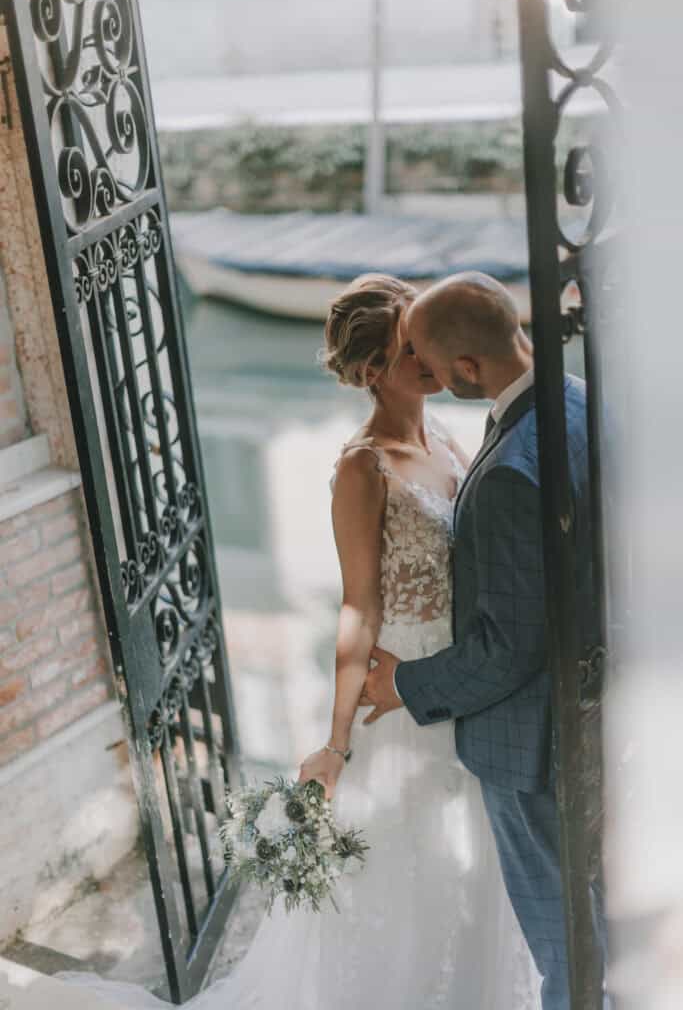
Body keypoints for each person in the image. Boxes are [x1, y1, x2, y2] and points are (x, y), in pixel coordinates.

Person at [59, 273, 539, 1009]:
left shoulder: (446, 435)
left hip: (462, 681)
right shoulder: (361, 467)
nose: (428, 357)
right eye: (409, 348)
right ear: (373, 369)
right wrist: (335, 742)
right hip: (398, 700)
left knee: (473, 867)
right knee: (404, 879)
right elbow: (357, 610)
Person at [362, 271, 599, 1010]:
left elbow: (508, 647)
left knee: (562, 936)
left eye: (431, 363)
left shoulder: (508, 473)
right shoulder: (576, 400)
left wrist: (402, 684)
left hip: (529, 742)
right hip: (592, 707)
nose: (426, 377)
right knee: (594, 918)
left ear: (466, 366)